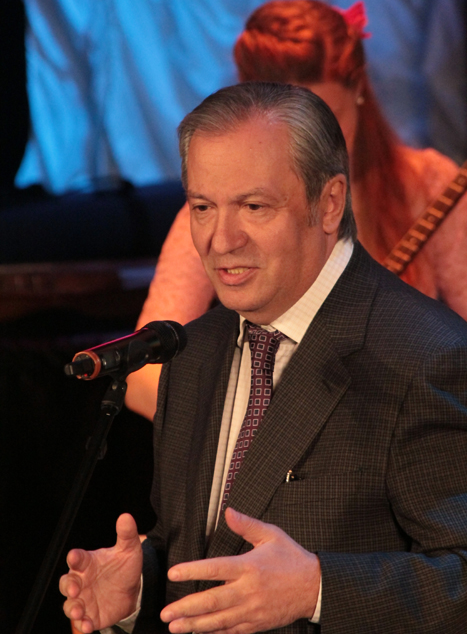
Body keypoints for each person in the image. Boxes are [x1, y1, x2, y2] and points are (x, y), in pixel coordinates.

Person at [60, 83, 467, 633]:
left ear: (329, 203)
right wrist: (139, 589)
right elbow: (201, 553)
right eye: (203, 207)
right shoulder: (192, 352)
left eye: (253, 207)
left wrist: (317, 590)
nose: (221, 240)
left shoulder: (427, 355)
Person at [125, 0, 467, 421]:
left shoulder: (431, 186)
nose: (309, 153)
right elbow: (144, 373)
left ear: (359, 91)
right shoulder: (216, 214)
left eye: (328, 123)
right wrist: (257, 427)